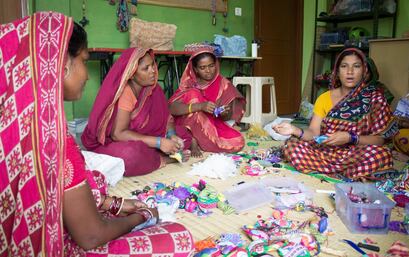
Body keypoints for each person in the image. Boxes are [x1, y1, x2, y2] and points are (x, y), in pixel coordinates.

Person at [0, 12, 193, 256]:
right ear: (61, 64)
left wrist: (116, 203)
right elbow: (91, 236)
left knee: (94, 176)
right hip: (59, 246)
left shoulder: (19, 126)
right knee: (179, 239)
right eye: (84, 59)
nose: (88, 74)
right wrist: (142, 216)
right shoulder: (52, 140)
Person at [273, 48, 398, 180]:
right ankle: (351, 174)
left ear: (364, 71)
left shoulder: (375, 98)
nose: (350, 72)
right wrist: (294, 129)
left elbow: (379, 140)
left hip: (355, 153)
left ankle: (337, 171)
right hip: (324, 152)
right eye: (344, 66)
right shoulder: (324, 97)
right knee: (291, 145)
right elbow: (314, 133)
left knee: (381, 155)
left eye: (356, 66)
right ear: (337, 72)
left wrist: (351, 138)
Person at [81, 47, 192, 176]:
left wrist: (171, 135)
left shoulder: (153, 89)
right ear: (132, 73)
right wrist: (159, 142)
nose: (153, 71)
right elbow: (118, 134)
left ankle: (158, 153)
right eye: (146, 68)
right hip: (119, 141)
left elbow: (167, 118)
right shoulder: (125, 93)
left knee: (183, 135)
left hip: (146, 137)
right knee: (130, 155)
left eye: (152, 65)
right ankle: (166, 158)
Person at [168, 50, 246, 157]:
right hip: (186, 123)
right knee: (193, 94)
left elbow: (226, 117)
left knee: (238, 141)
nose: (208, 71)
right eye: (202, 68)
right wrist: (200, 106)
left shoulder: (224, 85)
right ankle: (193, 140)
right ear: (195, 69)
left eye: (211, 66)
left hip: (211, 124)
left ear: (216, 65)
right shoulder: (189, 84)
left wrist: (223, 113)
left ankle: (199, 139)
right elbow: (171, 108)